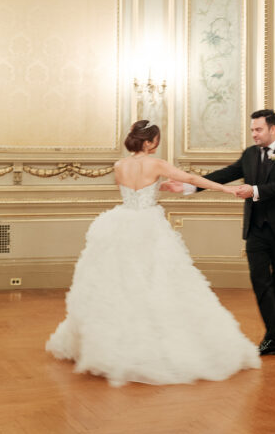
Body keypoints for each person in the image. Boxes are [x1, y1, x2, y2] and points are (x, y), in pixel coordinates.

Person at [46, 120, 260, 386]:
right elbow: (191, 179)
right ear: (148, 142)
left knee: (119, 284)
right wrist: (226, 188)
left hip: (120, 223)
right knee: (158, 281)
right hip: (148, 225)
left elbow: (130, 191)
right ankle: (154, 344)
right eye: (156, 140)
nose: (156, 144)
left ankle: (115, 343)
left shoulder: (119, 165)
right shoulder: (155, 164)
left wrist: (157, 187)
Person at [162, 109, 275, 357]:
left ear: (273, 129)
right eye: (252, 129)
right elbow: (226, 174)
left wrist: (254, 191)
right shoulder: (250, 154)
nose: (253, 134)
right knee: (260, 281)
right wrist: (189, 186)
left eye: (258, 129)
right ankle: (274, 337)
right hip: (255, 229)